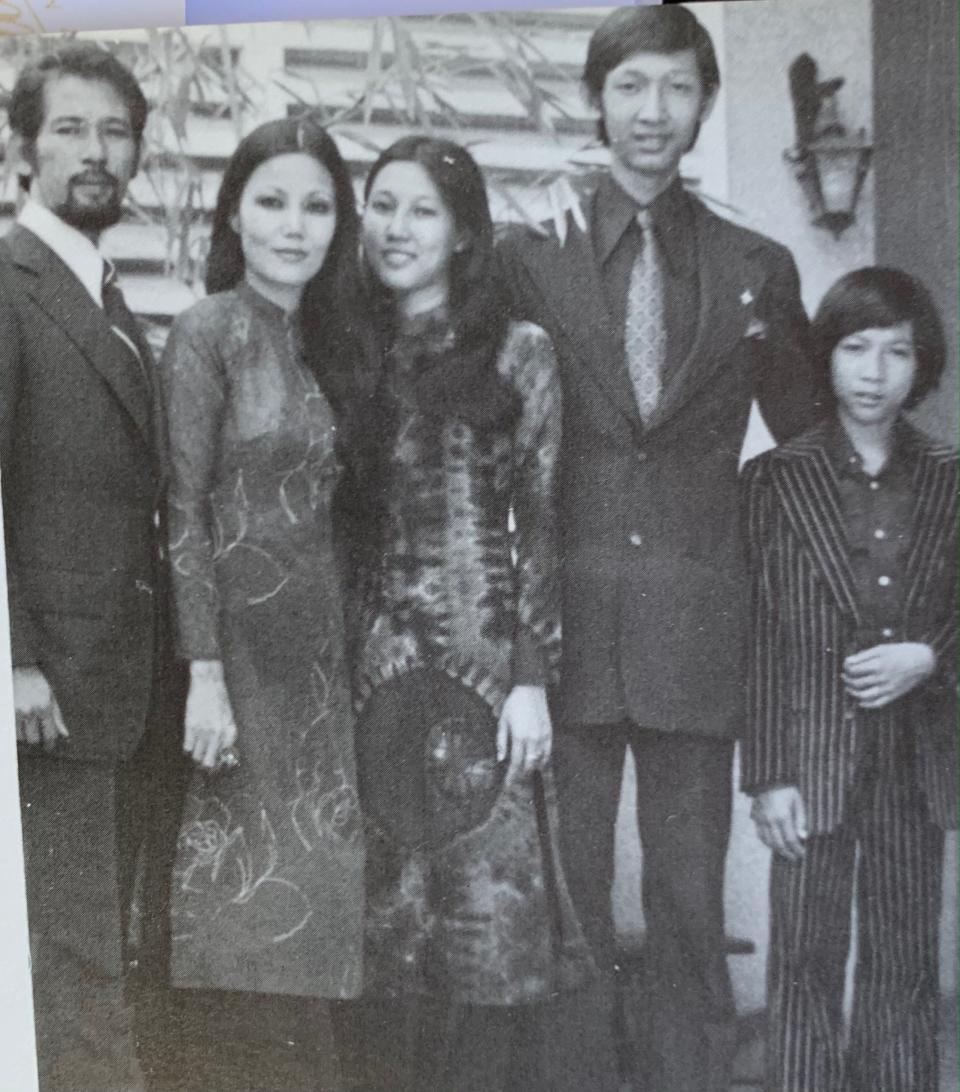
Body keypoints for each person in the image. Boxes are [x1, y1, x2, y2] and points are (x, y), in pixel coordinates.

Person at [496, 7, 819, 1090]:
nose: (653, 112)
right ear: (598, 99)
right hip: (564, 631)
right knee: (569, 900)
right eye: (631, 86)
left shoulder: (755, 264)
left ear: (704, 104)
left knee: (689, 902)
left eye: (677, 88)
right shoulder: (527, 251)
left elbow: (810, 442)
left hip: (697, 632)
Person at [349, 135, 593, 1092]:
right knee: (386, 938)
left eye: (422, 210)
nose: (396, 228)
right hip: (369, 671)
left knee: (488, 932)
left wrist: (532, 678)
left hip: (487, 670)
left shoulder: (517, 352)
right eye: (382, 204)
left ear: (461, 234)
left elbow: (539, 518)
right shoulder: (346, 346)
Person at [159, 117, 365, 1089]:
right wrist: (204, 675)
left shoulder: (340, 342)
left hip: (324, 672)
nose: (295, 225)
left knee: (318, 903)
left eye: (317, 204)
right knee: (239, 912)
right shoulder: (207, 334)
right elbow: (185, 511)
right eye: (274, 200)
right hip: (236, 663)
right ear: (237, 210)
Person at [0, 45, 188, 1091]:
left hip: (120, 691)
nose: (95, 151)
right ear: (23, 147)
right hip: (51, 692)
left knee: (96, 948)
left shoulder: (107, 296)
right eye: (70, 128)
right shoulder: (9, 286)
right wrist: (14, 661)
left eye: (115, 131)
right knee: (70, 955)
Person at [741, 267, 956, 1092]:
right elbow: (762, 638)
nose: (874, 372)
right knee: (802, 959)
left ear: (921, 363)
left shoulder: (951, 476)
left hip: (916, 759)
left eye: (896, 352)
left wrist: (930, 655)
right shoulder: (772, 482)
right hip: (809, 764)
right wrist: (768, 778)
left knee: (905, 961)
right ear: (825, 357)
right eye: (855, 348)